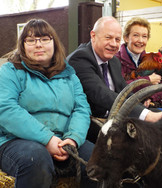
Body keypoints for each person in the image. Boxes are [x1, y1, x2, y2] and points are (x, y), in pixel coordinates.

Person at [0, 19, 96, 187]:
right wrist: (47, 139)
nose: (38, 45)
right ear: (22, 45)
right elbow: (6, 108)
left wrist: (73, 139)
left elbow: (81, 109)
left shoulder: (69, 75)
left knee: (98, 160)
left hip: (64, 140)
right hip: (15, 140)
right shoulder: (10, 71)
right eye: (31, 40)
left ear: (54, 43)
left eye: (45, 39)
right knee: (35, 159)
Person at [67, 16, 162, 143]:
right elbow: (101, 94)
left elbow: (126, 92)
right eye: (108, 37)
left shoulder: (113, 61)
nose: (113, 44)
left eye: (117, 39)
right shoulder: (80, 58)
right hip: (90, 122)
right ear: (93, 36)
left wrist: (146, 111)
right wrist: (147, 115)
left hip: (116, 118)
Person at [115, 17, 162, 108]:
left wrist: (152, 96)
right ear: (126, 38)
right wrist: (148, 80)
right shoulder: (115, 60)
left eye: (144, 36)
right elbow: (120, 86)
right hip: (126, 108)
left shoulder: (149, 59)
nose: (141, 40)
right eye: (136, 35)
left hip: (148, 105)